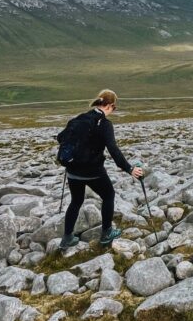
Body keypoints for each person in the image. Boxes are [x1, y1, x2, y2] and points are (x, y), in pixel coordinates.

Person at [60, 89, 144, 248]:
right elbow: (113, 149)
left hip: (72, 170)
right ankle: (106, 233)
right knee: (109, 195)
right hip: (93, 171)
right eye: (114, 107)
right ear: (110, 105)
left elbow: (61, 137)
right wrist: (129, 169)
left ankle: (67, 238)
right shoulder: (104, 124)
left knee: (76, 201)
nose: (113, 111)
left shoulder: (80, 118)